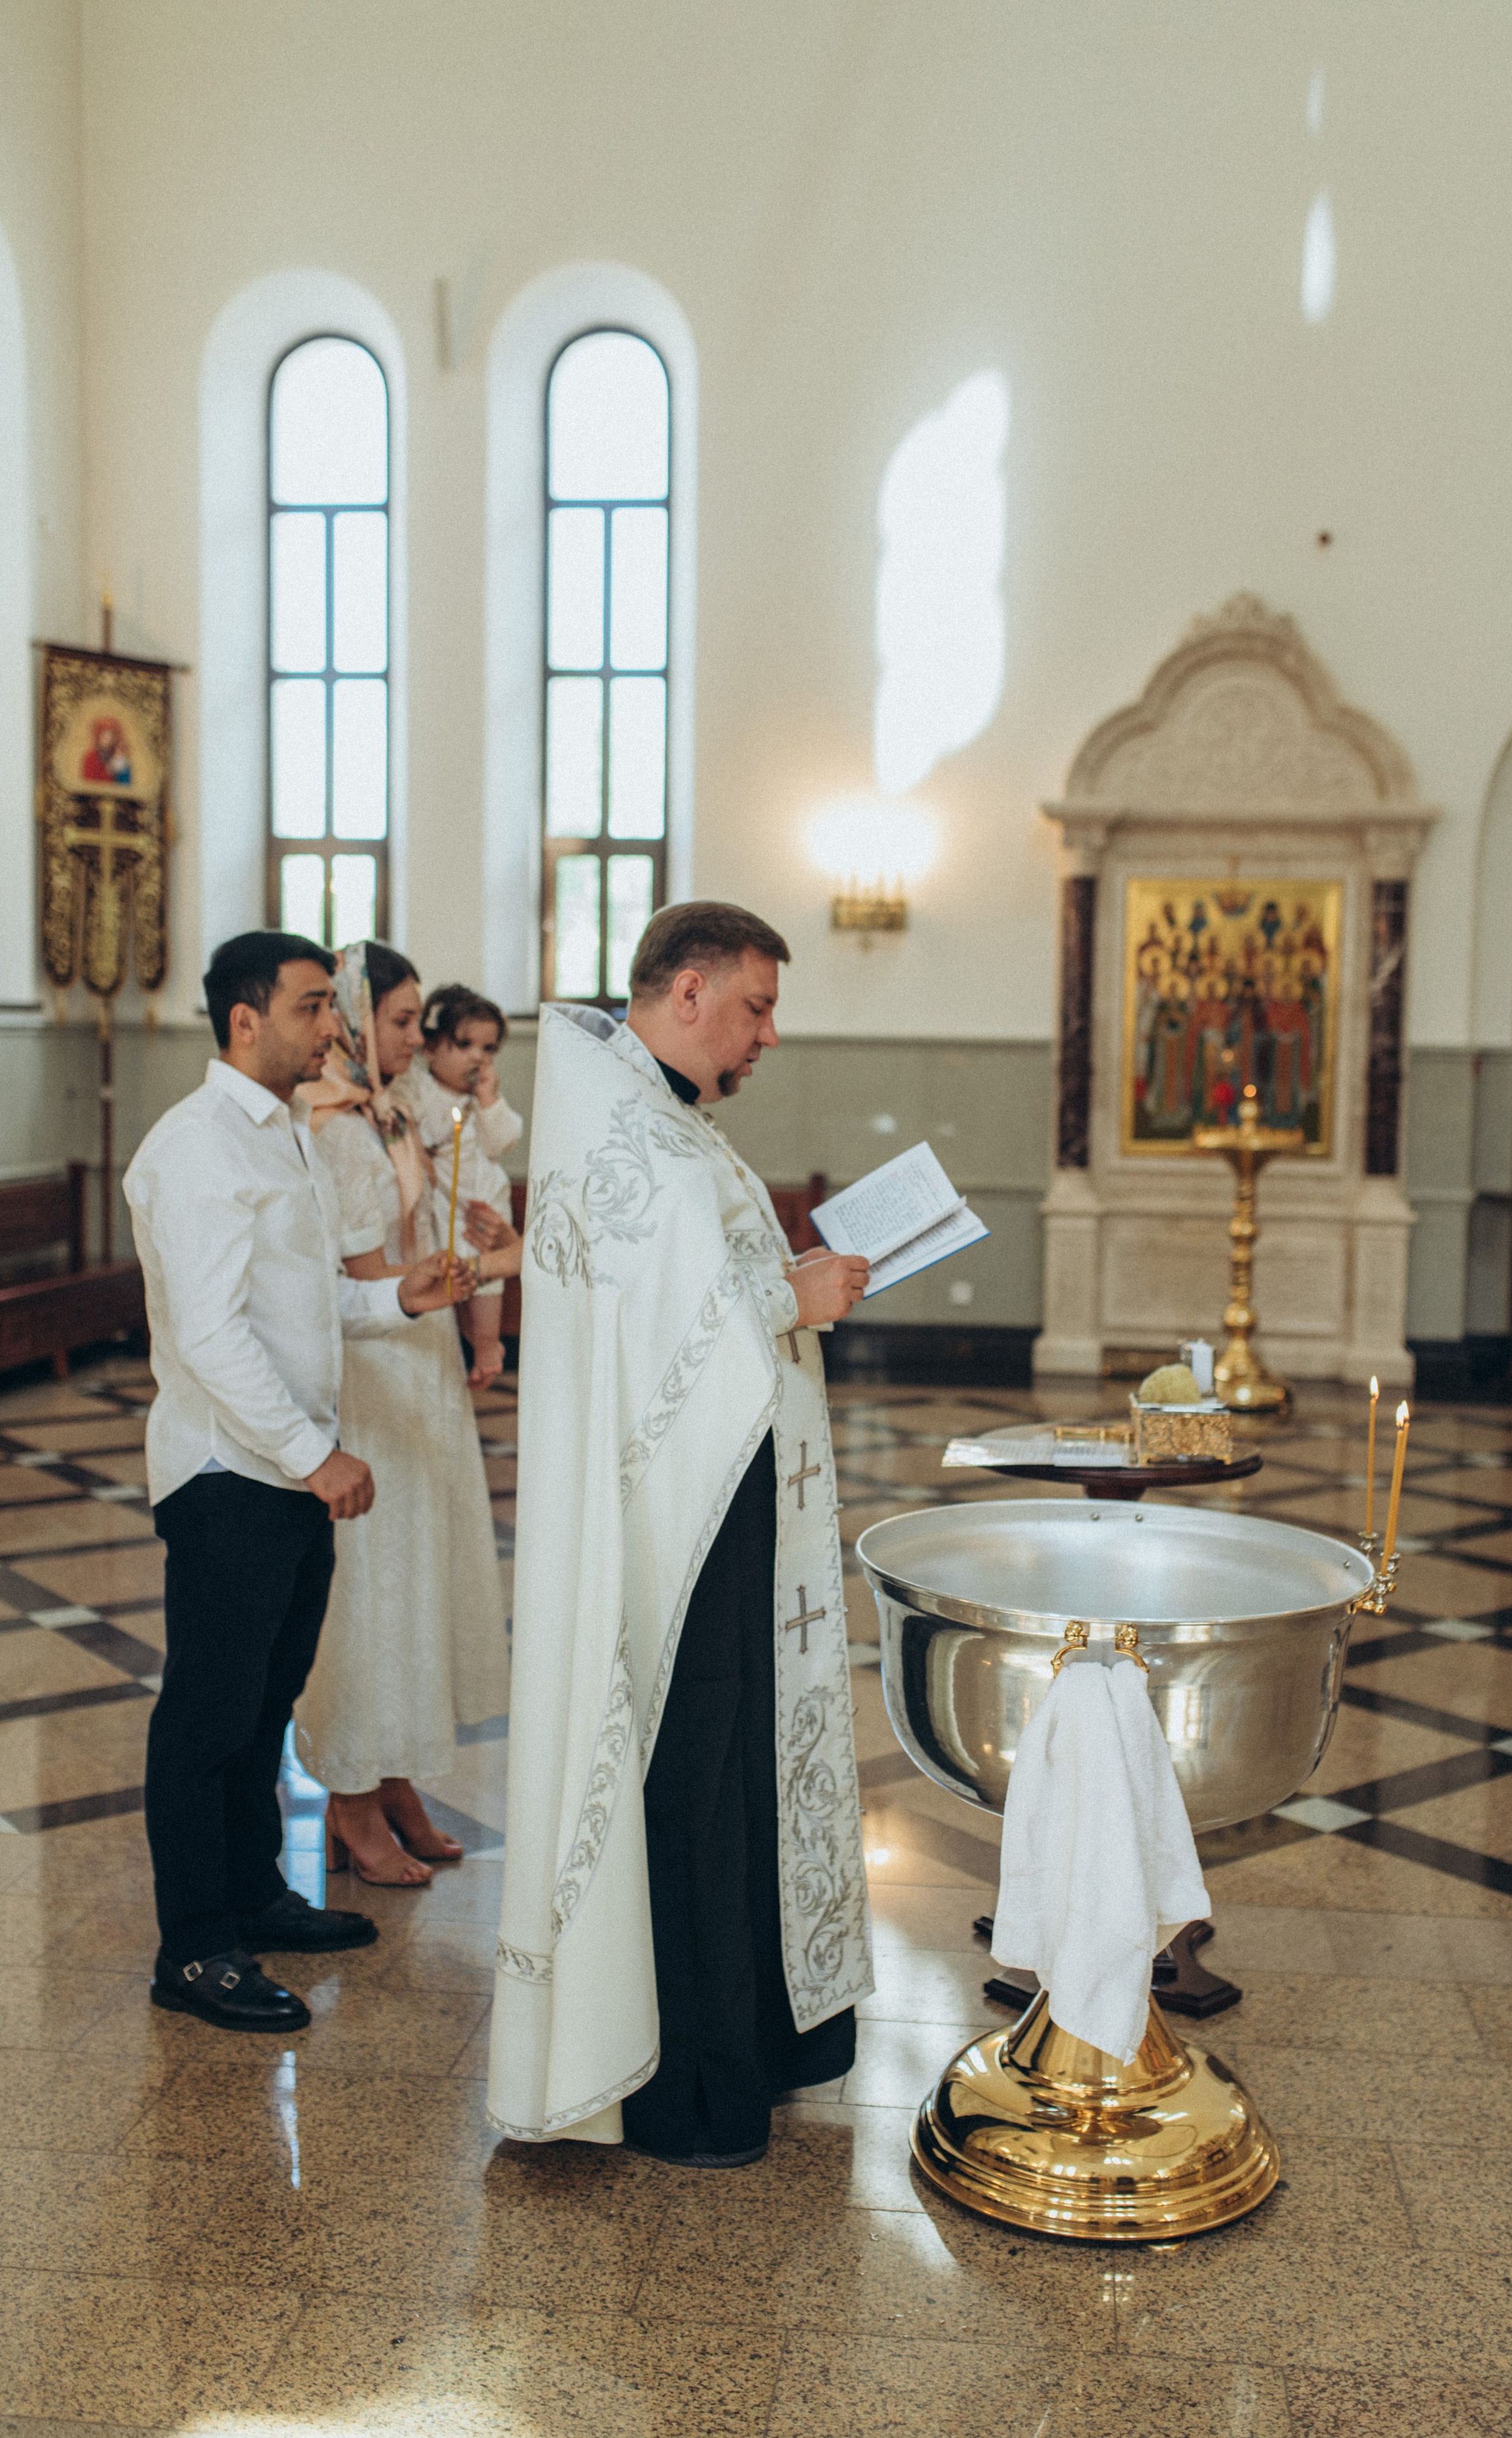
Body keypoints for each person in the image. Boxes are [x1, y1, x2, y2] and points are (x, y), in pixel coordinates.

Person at [470, 901, 874, 2166]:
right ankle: (683, 2083)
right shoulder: (629, 1133)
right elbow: (664, 1335)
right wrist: (790, 1297)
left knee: (735, 1763)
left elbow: (682, 1301)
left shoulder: (670, 1121)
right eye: (756, 1007)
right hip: (670, 1520)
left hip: (723, 1497)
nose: (767, 1036)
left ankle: (749, 2039)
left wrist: (781, 1291)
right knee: (689, 1775)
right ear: (688, 991)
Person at [123, 930, 474, 2033]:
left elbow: (311, 1305)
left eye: (331, 1004)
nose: (333, 1025)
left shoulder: (284, 1135)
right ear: (246, 1018)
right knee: (208, 1717)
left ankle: (254, 1894)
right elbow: (211, 1335)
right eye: (313, 1005)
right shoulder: (197, 1148)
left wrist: (401, 1297)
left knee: (265, 1703)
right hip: (228, 1472)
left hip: (279, 1470)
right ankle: (195, 1948)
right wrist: (314, 1456)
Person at [293, 942, 510, 1886]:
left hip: (422, 1354)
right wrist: (455, 1272)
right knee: (373, 1585)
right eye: (401, 1019)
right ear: (351, 1017)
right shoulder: (334, 1126)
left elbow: (437, 1210)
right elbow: (355, 1270)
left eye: (420, 1020)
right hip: (372, 1364)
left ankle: (393, 1779)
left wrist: (476, 1243)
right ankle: (349, 1793)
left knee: (422, 1574)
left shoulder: (394, 1113)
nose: (417, 1036)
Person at [395, 983, 522, 1394]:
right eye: (465, 1045)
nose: (478, 1057)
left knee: (488, 1278)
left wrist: (489, 1100)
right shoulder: (421, 1089)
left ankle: (488, 1345)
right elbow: (404, 1113)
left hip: (484, 1203)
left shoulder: (485, 1103)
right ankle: (472, 1339)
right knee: (455, 1279)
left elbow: (502, 1142)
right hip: (446, 1202)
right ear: (430, 1048)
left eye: (489, 1049)